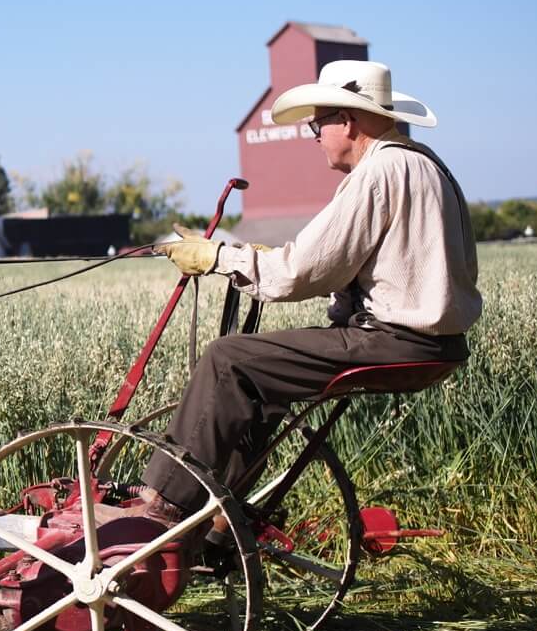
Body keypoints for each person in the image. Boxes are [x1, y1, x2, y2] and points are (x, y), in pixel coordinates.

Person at [137, 60, 482, 521]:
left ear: (348, 121)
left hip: (393, 340)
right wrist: (257, 257)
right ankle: (219, 526)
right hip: (441, 345)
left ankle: (160, 509)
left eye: (318, 125)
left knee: (227, 359)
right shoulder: (427, 165)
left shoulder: (376, 174)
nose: (315, 137)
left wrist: (218, 257)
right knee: (258, 385)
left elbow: (298, 273)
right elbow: (356, 266)